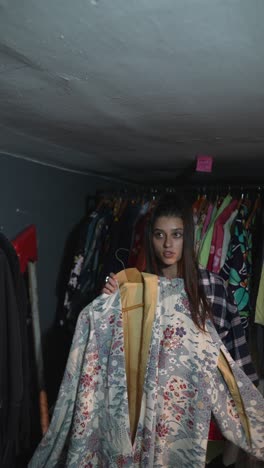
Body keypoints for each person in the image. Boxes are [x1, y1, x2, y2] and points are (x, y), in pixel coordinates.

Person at [102, 194, 259, 466]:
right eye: (160, 235)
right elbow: (117, 353)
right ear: (150, 238)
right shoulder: (137, 287)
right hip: (148, 416)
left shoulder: (212, 287)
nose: (167, 244)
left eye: (176, 234)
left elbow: (235, 355)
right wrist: (110, 304)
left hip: (199, 415)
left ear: (189, 237)